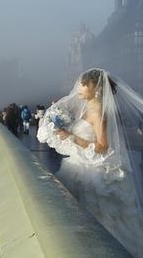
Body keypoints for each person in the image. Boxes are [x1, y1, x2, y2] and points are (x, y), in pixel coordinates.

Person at [37, 68, 143, 256]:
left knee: (98, 221)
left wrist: (71, 136)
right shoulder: (88, 108)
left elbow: (102, 146)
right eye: (81, 83)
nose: (80, 87)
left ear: (97, 88)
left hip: (94, 173)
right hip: (82, 166)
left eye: (85, 84)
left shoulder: (99, 111)